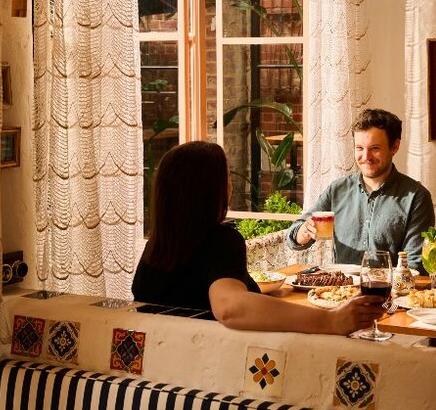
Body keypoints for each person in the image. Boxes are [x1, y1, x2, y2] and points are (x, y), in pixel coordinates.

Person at [132, 141, 386, 334]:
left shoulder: (157, 248)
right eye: (228, 177)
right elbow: (230, 308)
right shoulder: (221, 240)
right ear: (210, 190)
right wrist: (330, 321)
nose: (231, 185)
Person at [286, 109, 435, 273]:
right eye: (359, 148)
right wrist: (303, 233)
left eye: (375, 148)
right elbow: (293, 236)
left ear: (394, 147)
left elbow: (415, 266)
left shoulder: (416, 197)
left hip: (389, 293)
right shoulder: (337, 190)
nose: (366, 156)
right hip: (339, 292)